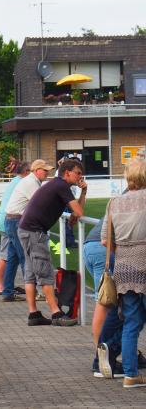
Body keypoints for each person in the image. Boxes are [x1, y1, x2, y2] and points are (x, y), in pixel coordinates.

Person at [18, 159, 87, 326]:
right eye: (78, 173)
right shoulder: (61, 186)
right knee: (45, 273)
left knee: (31, 273)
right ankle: (56, 314)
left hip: (26, 229)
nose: (80, 176)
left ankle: (34, 314)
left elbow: (76, 212)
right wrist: (82, 193)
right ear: (67, 172)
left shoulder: (57, 184)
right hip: (35, 232)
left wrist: (83, 192)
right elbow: (78, 211)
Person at [100, 158, 146, 387]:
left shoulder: (114, 202)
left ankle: (130, 374)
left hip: (124, 267)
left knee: (131, 323)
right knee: (134, 322)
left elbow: (105, 239)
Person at [1, 159, 53, 302]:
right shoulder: (32, 183)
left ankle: (7, 292)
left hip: (12, 220)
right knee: (25, 257)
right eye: (45, 170)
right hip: (17, 221)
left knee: (13, 258)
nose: (47, 173)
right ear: (36, 170)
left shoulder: (32, 181)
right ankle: (34, 293)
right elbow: (40, 204)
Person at [0, 162, 30, 294]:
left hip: (5, 218)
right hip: (8, 220)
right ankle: (0, 286)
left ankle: (6, 286)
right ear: (26, 172)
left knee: (11, 254)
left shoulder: (16, 180)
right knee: (5, 255)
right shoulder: (22, 182)